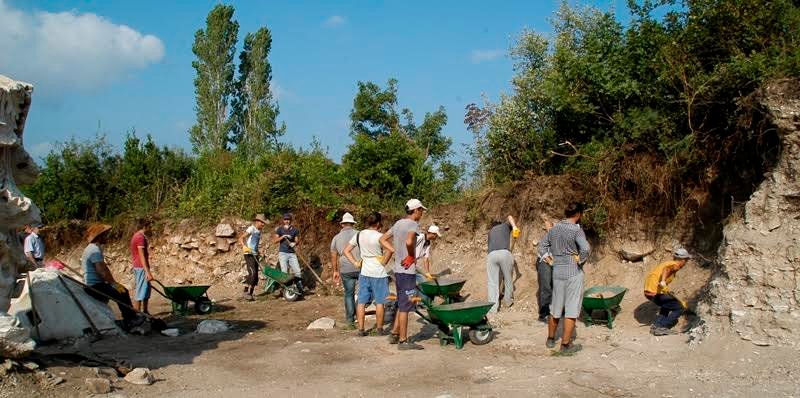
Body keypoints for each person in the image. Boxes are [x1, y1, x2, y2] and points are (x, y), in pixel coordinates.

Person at [538, 202, 590, 354]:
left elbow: (542, 247)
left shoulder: (554, 230)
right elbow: (586, 249)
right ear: (578, 214)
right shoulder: (576, 230)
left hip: (557, 271)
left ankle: (551, 339)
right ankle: (566, 345)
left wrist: (550, 260)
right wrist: (580, 260)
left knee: (555, 307)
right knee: (571, 309)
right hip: (573, 272)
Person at [379, 198, 426, 350]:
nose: (422, 213)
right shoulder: (413, 224)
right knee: (406, 305)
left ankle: (394, 333)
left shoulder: (398, 223)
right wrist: (411, 256)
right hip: (407, 271)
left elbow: (382, 239)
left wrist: (393, 251)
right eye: (421, 210)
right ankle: (403, 340)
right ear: (416, 210)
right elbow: (409, 241)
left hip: (398, 270)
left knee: (402, 302)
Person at [81, 223, 139, 330]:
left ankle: (130, 318)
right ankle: (130, 320)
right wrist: (113, 283)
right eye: (105, 235)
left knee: (122, 291)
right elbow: (101, 271)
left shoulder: (93, 248)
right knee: (122, 292)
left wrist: (113, 283)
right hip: (94, 286)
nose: (106, 236)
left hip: (96, 284)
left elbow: (103, 269)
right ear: (99, 237)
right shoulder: (94, 250)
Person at [344, 212, 393, 336]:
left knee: (361, 301)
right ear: (378, 223)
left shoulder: (359, 234)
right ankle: (380, 329)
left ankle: (361, 329)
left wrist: (355, 263)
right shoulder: (380, 236)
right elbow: (389, 250)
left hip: (364, 271)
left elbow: (346, 250)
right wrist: (384, 262)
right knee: (380, 302)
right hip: (379, 272)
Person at [644, 247, 692, 336]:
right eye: (686, 260)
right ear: (682, 260)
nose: (686, 263)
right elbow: (666, 270)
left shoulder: (668, 263)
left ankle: (656, 325)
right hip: (654, 292)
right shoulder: (675, 265)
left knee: (667, 305)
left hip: (649, 291)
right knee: (679, 308)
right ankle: (662, 327)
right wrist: (663, 282)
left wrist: (664, 288)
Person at [330, 212, 360, 327]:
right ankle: (360, 315)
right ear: (353, 224)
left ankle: (349, 319)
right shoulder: (359, 234)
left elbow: (334, 255)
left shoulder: (336, 238)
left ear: (342, 224)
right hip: (359, 267)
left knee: (348, 294)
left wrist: (335, 271)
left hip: (345, 269)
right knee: (361, 293)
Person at [486, 215, 520, 313]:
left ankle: (493, 309)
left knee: (492, 282)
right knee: (508, 279)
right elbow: (509, 216)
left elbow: (489, 248)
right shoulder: (504, 226)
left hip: (491, 255)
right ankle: (508, 301)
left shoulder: (491, 232)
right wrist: (514, 227)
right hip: (504, 253)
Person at [239, 214, 268, 301]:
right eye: (262, 222)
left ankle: (250, 293)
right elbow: (241, 238)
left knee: (256, 276)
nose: (263, 224)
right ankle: (246, 292)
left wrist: (259, 252)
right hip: (248, 254)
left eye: (264, 223)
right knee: (252, 273)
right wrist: (244, 246)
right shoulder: (251, 228)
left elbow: (254, 244)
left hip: (255, 254)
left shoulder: (259, 231)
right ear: (257, 221)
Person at [273, 213, 302, 293]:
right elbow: (275, 241)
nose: (287, 221)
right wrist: (283, 236)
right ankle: (285, 290)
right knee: (284, 272)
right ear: (283, 220)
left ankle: (299, 288)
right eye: (285, 219)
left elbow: (297, 240)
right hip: (283, 253)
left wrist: (295, 243)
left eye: (288, 219)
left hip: (292, 253)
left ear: (290, 220)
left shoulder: (294, 230)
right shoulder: (280, 229)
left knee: (297, 271)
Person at [130, 217, 154, 314]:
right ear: (145, 226)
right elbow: (141, 255)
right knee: (140, 291)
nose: (151, 229)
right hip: (141, 267)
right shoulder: (139, 237)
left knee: (146, 290)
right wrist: (147, 272)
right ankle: (137, 313)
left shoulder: (139, 236)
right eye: (150, 227)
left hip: (141, 266)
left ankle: (145, 311)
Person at [536, 220, 555, 322]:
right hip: (544, 262)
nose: (548, 228)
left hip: (554, 262)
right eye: (546, 227)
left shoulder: (558, 235)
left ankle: (555, 311)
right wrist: (549, 261)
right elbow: (541, 249)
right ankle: (543, 314)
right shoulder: (547, 237)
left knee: (554, 286)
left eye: (549, 226)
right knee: (546, 286)